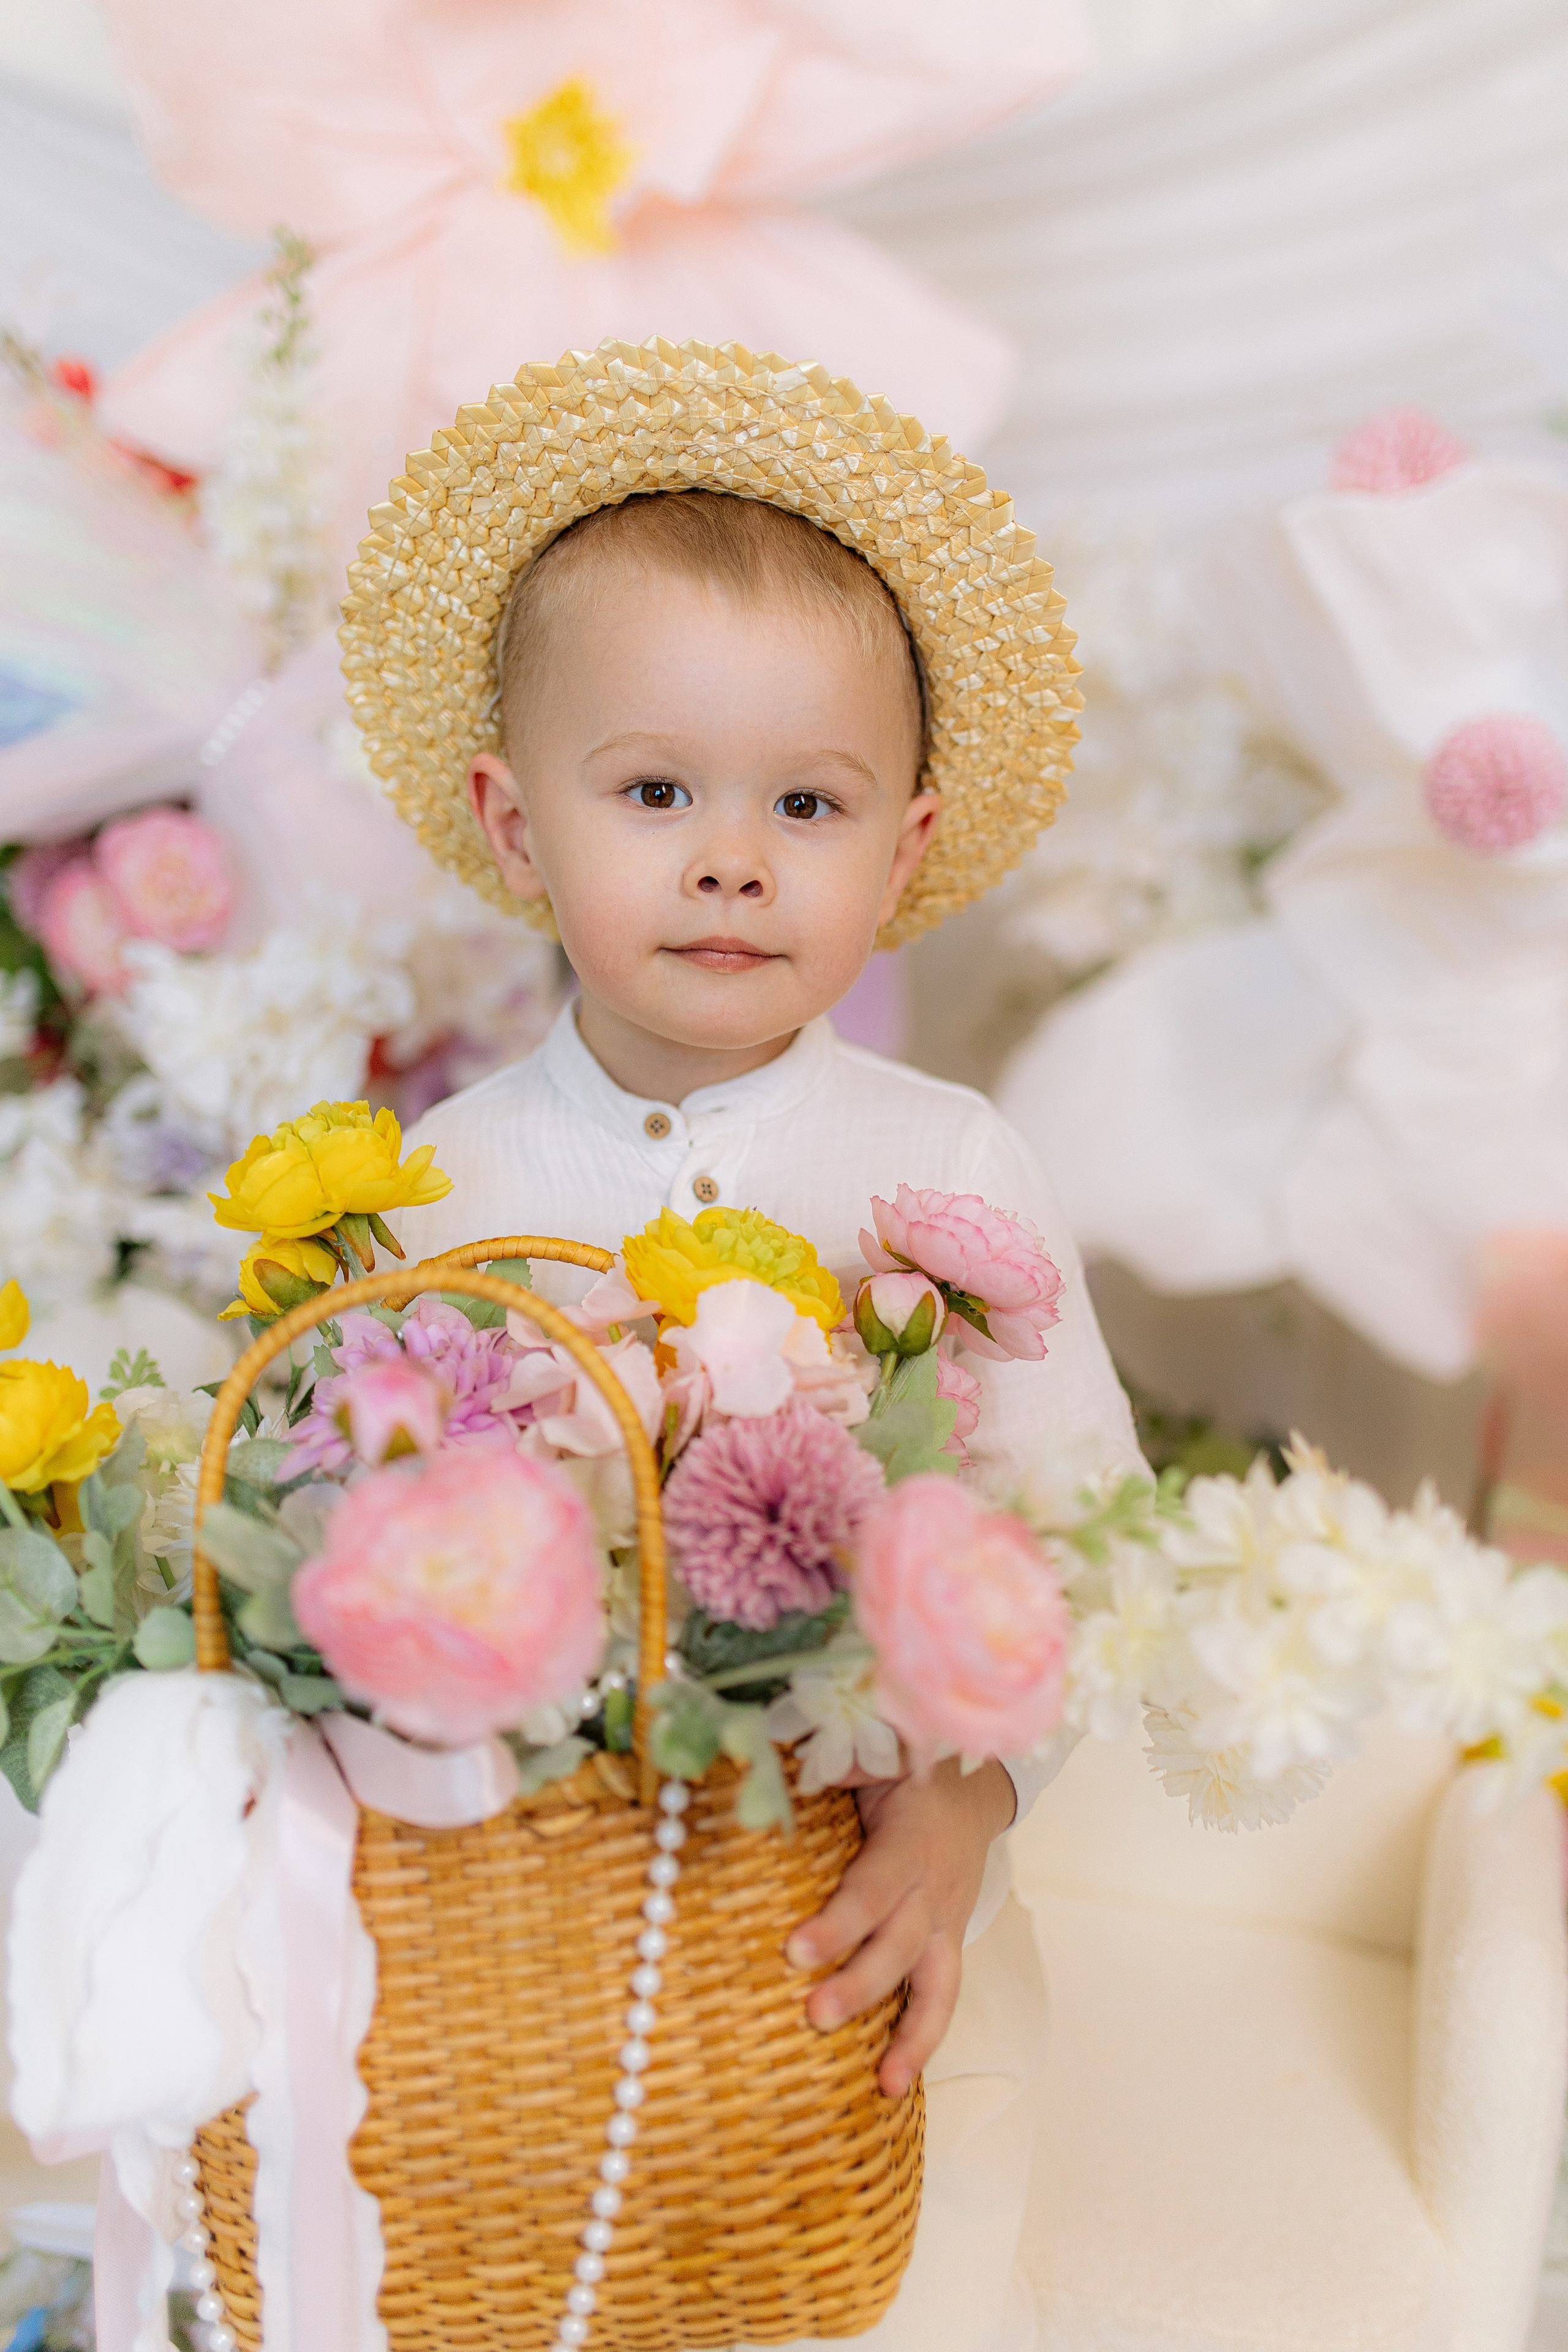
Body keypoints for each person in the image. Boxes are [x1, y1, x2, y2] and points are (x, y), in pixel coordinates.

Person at [355, 339, 1143, 2352]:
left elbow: (1082, 1539)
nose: (731, 856)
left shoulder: (940, 1175)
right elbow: (355, 1536)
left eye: (807, 800)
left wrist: (965, 1802)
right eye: (653, 792)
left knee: (916, 2225)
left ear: (902, 846)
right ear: (515, 826)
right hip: (518, 1916)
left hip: (852, 1877)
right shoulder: (442, 1187)